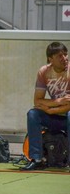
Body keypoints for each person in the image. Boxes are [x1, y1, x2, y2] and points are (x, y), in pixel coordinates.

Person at [21, 42, 70, 171]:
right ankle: (37, 159)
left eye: (66, 54)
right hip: (54, 113)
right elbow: (37, 101)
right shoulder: (44, 72)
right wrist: (59, 102)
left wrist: (50, 109)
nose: (65, 58)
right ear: (50, 59)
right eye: (60, 56)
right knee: (33, 114)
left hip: (66, 115)